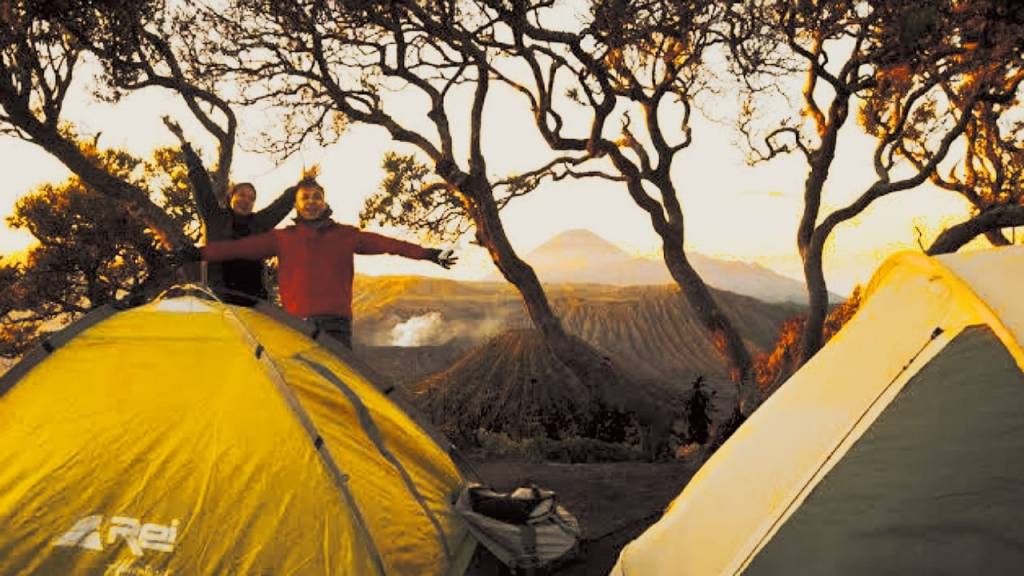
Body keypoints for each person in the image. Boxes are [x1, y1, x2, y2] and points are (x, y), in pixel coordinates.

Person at [186, 177, 457, 348]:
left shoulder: (346, 235)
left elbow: (390, 245)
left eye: (317, 197)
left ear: (324, 202)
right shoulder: (282, 238)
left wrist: (430, 254)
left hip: (334, 326)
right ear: (297, 205)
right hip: (294, 326)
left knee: (338, 394)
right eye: (305, 198)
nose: (311, 202)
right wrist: (198, 254)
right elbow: (237, 249)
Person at [164, 117, 297, 302]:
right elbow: (200, 181)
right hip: (219, 300)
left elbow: (282, 204)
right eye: (241, 194)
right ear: (231, 197)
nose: (246, 200)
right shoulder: (215, 217)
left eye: (251, 197)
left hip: (255, 302)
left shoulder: (259, 223)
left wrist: (304, 185)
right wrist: (183, 142)